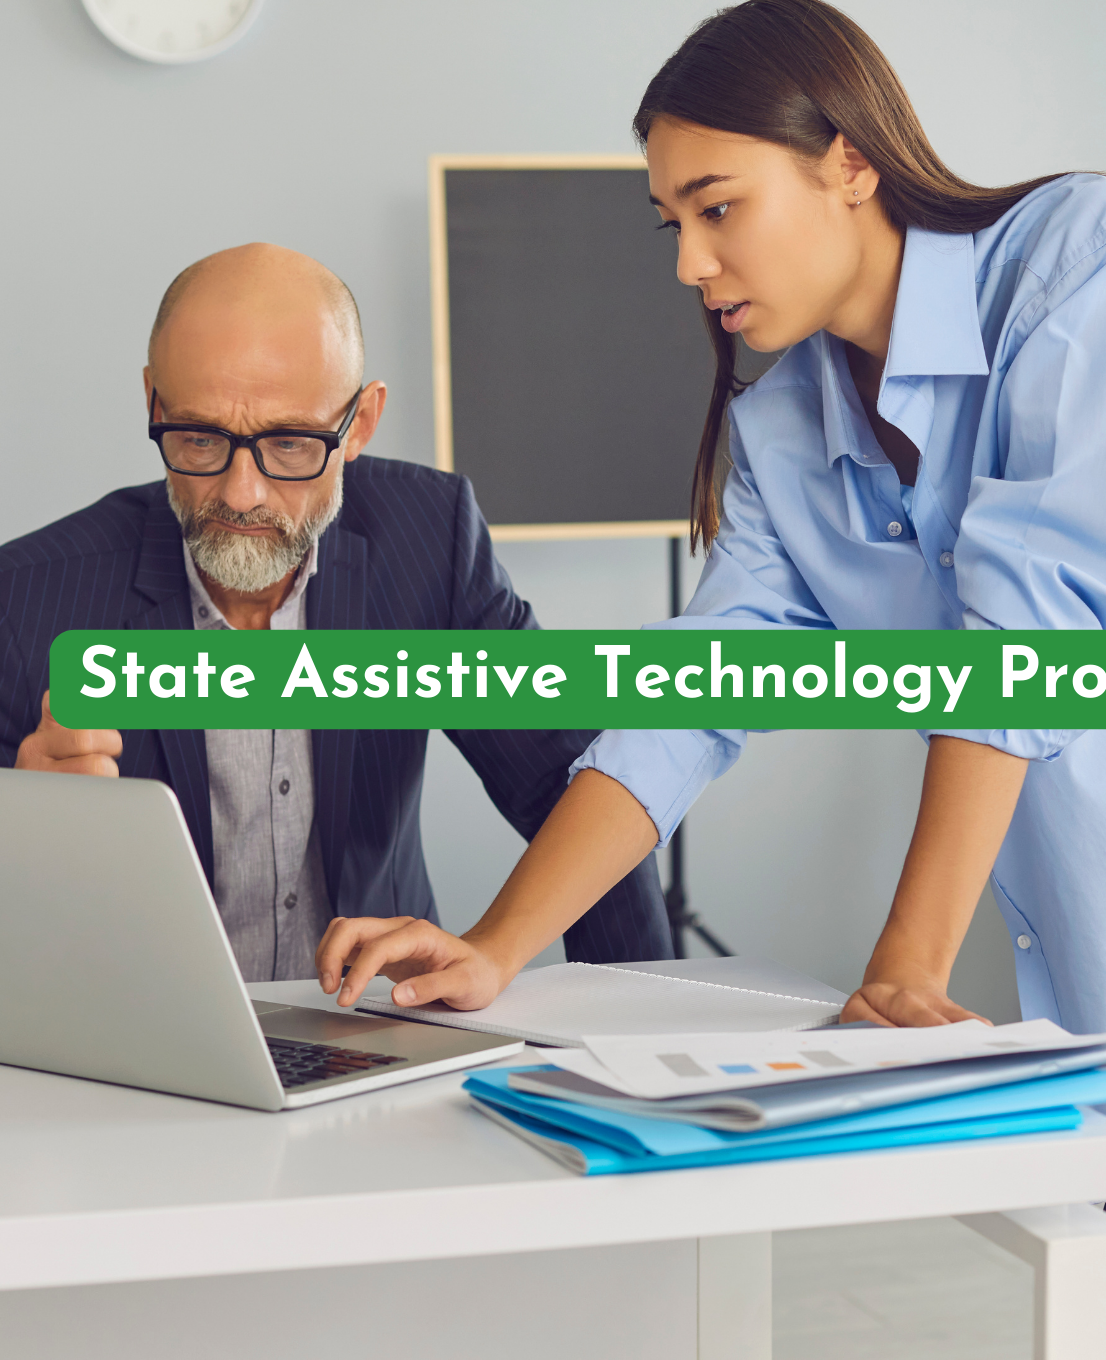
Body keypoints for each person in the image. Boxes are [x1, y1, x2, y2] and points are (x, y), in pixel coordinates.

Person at [318, 2, 1106, 1354]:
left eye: (719, 206)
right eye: (671, 225)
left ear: (848, 162)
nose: (692, 263)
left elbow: (1028, 637)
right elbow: (698, 694)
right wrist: (493, 945)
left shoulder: (1086, 259)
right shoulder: (784, 427)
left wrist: (908, 966)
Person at [0, 242, 671, 981]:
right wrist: (30, 837)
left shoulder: (429, 541)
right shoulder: (27, 599)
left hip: (377, 1034)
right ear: (154, 404)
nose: (242, 494)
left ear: (361, 424)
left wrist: (633, 1024)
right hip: (145, 1058)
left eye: (290, 443)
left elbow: (572, 781)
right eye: (199, 437)